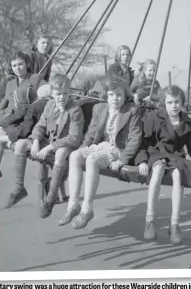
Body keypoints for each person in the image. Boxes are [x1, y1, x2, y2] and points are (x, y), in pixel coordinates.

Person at [59, 76, 143, 229]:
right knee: (74, 156)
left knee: (92, 159)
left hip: (117, 149)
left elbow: (134, 139)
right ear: (106, 96)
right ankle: (73, 205)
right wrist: (83, 148)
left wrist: (123, 160)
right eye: (111, 95)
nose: (115, 99)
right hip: (101, 145)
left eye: (119, 95)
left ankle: (87, 209)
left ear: (125, 96)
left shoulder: (131, 111)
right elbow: (91, 133)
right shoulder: (100, 108)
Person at [5, 74, 84, 219]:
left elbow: (74, 137)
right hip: (48, 142)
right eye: (58, 94)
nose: (61, 97)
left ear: (69, 93)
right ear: (52, 94)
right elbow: (40, 126)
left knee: (60, 153)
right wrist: (35, 141)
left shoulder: (75, 109)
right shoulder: (50, 105)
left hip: (65, 145)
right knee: (21, 144)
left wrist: (49, 148)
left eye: (65, 93)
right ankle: (19, 187)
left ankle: (51, 198)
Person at [136, 85, 191, 244]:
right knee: (158, 171)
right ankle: (150, 220)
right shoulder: (154, 117)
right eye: (170, 102)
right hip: (157, 153)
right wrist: (142, 161)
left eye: (177, 102)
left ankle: (174, 224)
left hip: (175, 155)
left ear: (182, 103)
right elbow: (144, 141)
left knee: (178, 175)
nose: (174, 106)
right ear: (163, 103)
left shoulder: (186, 121)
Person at [0, 84, 51, 179]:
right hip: (47, 138)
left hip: (33, 138)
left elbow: (26, 128)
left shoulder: (32, 107)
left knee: (0, 139)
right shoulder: (53, 106)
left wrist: (13, 137)